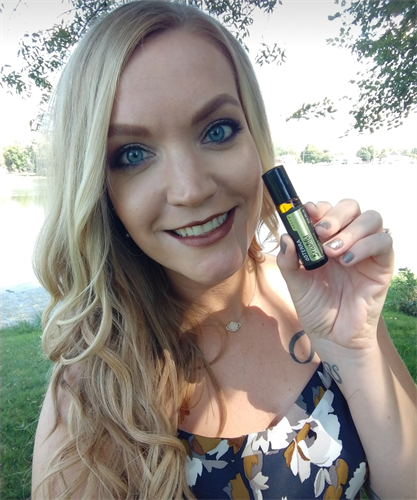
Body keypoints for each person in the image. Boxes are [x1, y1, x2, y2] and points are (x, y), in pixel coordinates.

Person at [31, 1, 417, 499]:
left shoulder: (325, 292)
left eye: (217, 130)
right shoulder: (90, 394)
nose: (191, 190)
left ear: (255, 136)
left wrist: (356, 349)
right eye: (132, 154)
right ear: (98, 189)